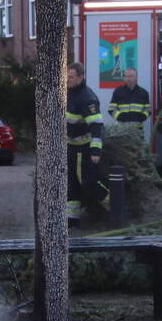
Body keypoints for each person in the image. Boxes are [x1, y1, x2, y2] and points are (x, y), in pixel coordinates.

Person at [66, 62, 108, 227]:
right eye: (66, 76)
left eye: (71, 77)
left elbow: (97, 125)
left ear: (81, 77)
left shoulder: (87, 98)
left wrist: (95, 151)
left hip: (84, 150)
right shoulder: (69, 93)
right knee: (71, 184)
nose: (67, 80)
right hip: (71, 148)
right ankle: (72, 219)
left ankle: (117, 207)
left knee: (89, 184)